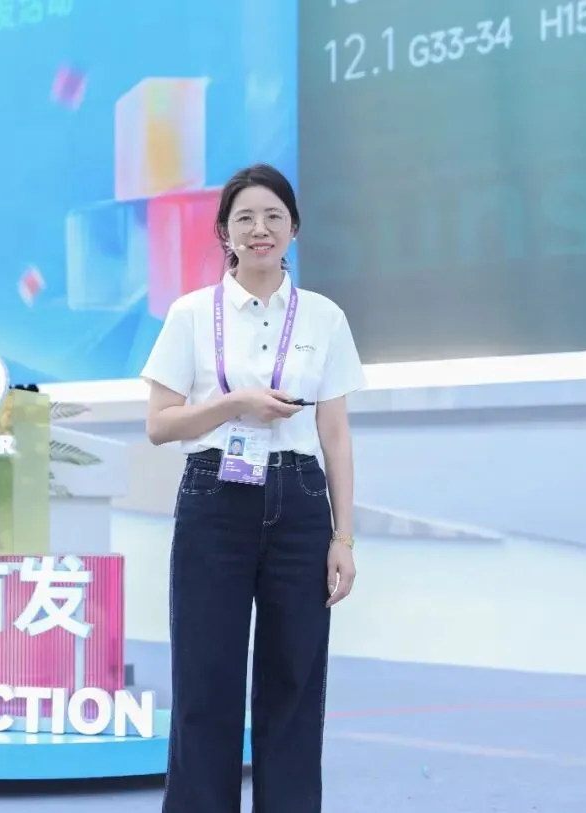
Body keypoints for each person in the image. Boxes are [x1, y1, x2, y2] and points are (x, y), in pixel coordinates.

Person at [141, 163, 365, 812]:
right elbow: (159, 424)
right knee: (205, 678)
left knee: (295, 678)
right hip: (215, 497)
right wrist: (235, 403)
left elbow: (336, 434)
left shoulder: (324, 317)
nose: (259, 228)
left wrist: (343, 537)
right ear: (224, 232)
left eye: (273, 216)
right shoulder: (190, 313)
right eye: (244, 217)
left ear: (294, 227)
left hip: (300, 502)